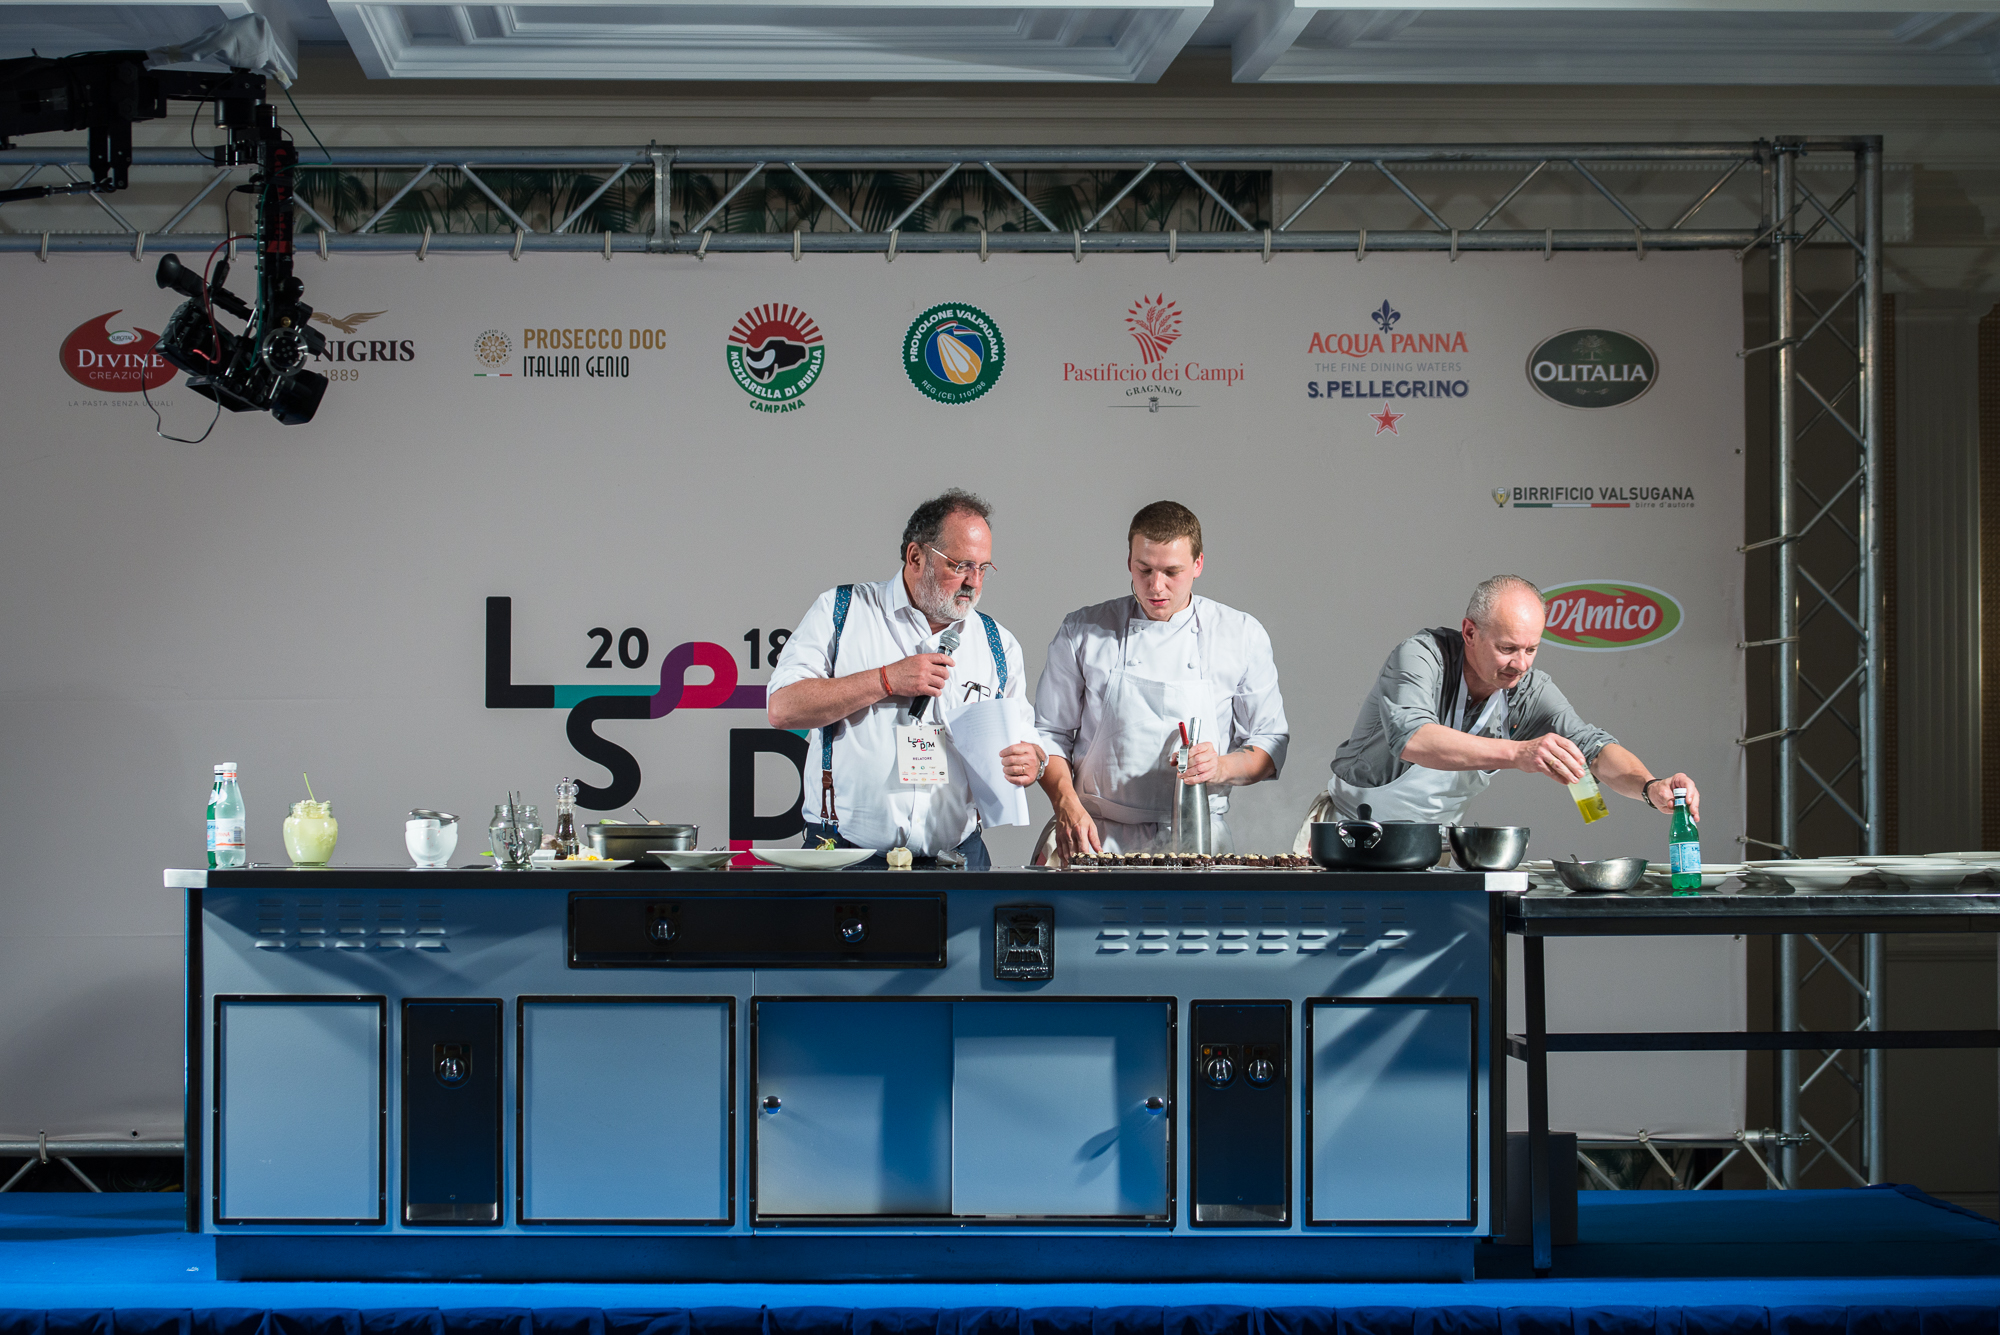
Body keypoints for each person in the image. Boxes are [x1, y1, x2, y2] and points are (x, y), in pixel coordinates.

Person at [767, 489, 1033, 869]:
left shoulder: (999, 644)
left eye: (983, 568)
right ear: (916, 557)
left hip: (958, 860)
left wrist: (1032, 761)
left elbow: (1027, 743)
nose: (973, 582)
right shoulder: (843, 611)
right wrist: (885, 679)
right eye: (960, 566)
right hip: (847, 858)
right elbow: (783, 708)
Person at [1025, 500, 1290, 860]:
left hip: (1198, 838)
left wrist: (1219, 767)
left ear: (1198, 564)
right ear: (1129, 562)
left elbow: (1270, 743)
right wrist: (1065, 804)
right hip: (1095, 834)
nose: (1156, 586)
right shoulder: (1083, 630)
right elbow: (1049, 734)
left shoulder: (1240, 634)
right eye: (1144, 569)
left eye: (1171, 572)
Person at [1325, 573, 1699, 827]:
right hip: (1346, 833)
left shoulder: (1529, 690)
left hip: (1430, 847)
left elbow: (1594, 748)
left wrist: (1650, 787)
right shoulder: (1422, 656)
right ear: (1470, 632)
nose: (1520, 664)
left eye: (1531, 649)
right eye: (1507, 648)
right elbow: (1413, 738)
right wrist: (1518, 753)